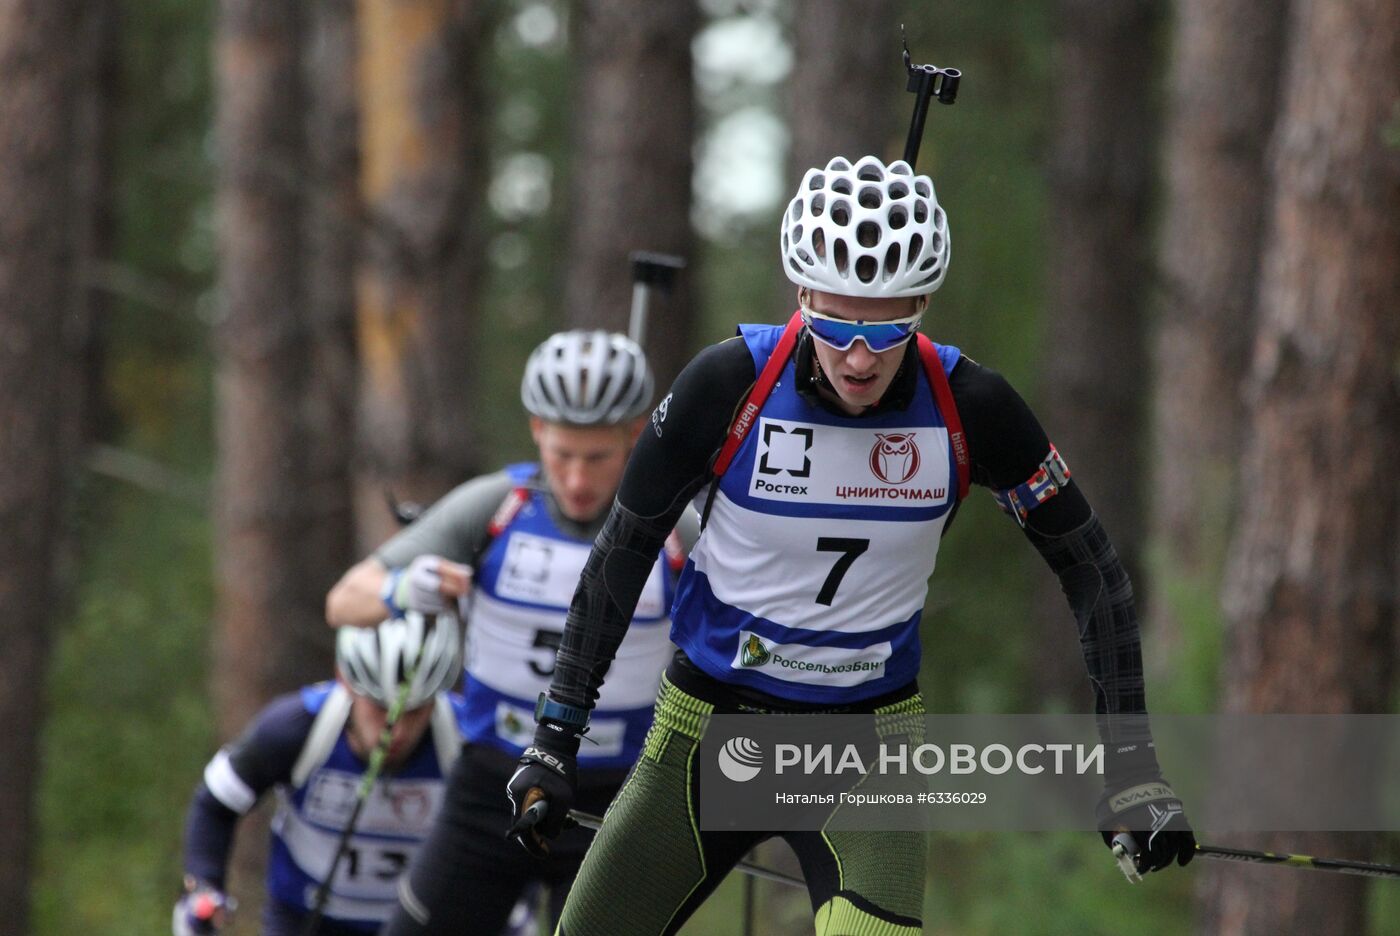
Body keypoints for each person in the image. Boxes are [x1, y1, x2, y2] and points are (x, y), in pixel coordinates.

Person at [505, 155, 1197, 935]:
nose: (859, 358)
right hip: (704, 729)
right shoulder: (727, 385)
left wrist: (1132, 765)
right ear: (801, 296)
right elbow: (620, 558)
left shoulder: (972, 407)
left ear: (924, 304)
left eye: (887, 330)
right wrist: (556, 738)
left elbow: (1094, 572)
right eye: (835, 328)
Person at [324, 331, 699, 934]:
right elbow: (343, 602)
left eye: (598, 457)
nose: (577, 479)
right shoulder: (495, 507)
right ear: (534, 430)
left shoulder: (674, 526)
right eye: (562, 454)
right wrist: (401, 591)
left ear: (634, 435)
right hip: (489, 787)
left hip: (618, 802)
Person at [173, 614, 473, 936]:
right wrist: (204, 886)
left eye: (414, 711)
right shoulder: (294, 728)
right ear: (345, 681)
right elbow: (216, 802)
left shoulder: (465, 741)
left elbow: (510, 833)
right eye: (378, 706)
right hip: (306, 921)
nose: (395, 728)